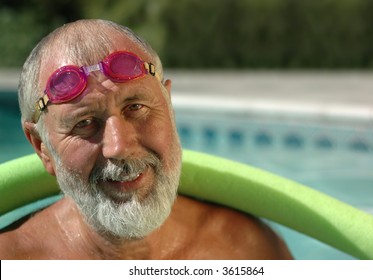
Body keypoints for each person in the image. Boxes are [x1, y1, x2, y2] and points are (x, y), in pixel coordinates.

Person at [0, 19, 292, 259]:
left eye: (136, 108)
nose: (119, 147)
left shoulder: (247, 249)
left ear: (169, 105)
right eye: (85, 123)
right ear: (42, 148)